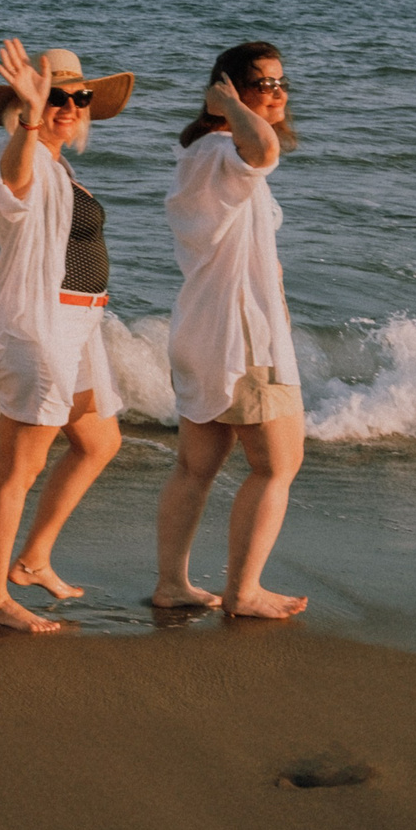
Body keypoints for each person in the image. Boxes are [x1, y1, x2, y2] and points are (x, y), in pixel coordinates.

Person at [0, 40, 135, 632]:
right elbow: (12, 190)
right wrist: (32, 120)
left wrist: (41, 123)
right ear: (27, 105)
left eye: (78, 97)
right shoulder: (24, 155)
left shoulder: (59, 162)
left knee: (99, 442)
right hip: (38, 327)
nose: (70, 106)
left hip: (80, 325)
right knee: (18, 468)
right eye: (56, 97)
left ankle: (33, 558)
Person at [155, 41, 310, 619]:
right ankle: (244, 592)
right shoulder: (223, 149)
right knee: (278, 465)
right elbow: (265, 148)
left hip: (205, 327)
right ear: (229, 91)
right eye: (263, 84)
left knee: (196, 466)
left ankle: (173, 583)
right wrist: (226, 107)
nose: (278, 93)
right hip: (240, 337)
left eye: (280, 82)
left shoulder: (202, 155)